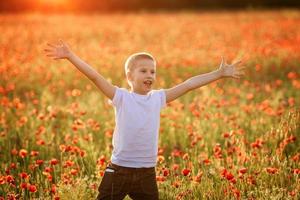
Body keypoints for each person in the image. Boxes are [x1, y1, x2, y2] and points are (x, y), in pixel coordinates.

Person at [44, 40, 246, 200]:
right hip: (120, 170)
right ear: (129, 76)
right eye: (143, 71)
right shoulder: (121, 97)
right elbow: (95, 77)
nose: (149, 75)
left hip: (146, 173)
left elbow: (189, 84)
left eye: (153, 71)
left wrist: (219, 73)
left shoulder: (158, 98)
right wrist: (70, 56)